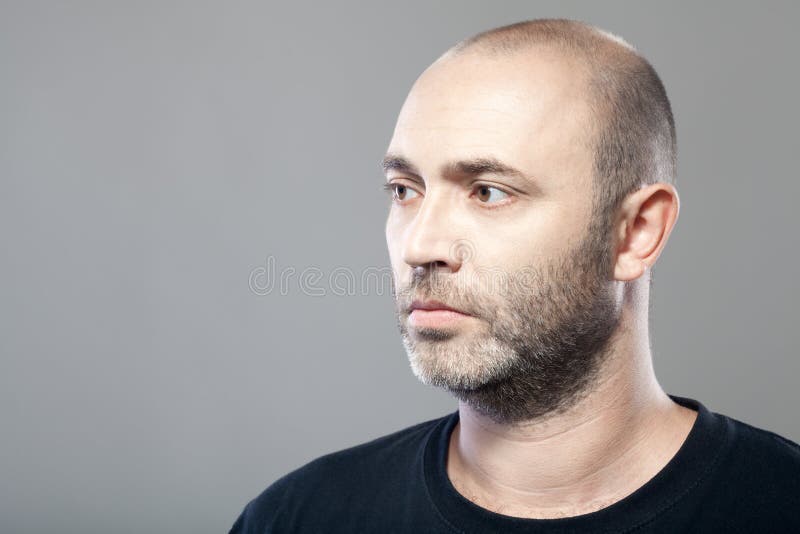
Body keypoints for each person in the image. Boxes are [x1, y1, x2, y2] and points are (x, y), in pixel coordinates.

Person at [230, 18, 800, 533]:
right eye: (405, 190)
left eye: (488, 192)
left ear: (635, 233)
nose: (420, 246)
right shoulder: (298, 518)